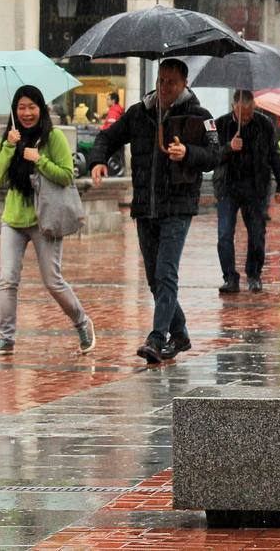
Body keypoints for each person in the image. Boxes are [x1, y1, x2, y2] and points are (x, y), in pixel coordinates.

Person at [88, 59, 221, 364]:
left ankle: (157, 338)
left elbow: (215, 155)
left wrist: (188, 153)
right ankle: (181, 333)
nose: (165, 88)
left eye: (172, 82)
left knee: (165, 272)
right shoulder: (139, 113)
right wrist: (98, 159)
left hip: (178, 205)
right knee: (153, 278)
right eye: (162, 81)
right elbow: (107, 136)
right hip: (145, 207)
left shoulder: (200, 116)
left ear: (184, 83)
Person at [0, 85, 95, 357]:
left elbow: (67, 175)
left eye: (31, 107)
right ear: (14, 111)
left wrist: (40, 160)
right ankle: (6, 338)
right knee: (7, 280)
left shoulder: (53, 137)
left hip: (44, 218)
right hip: (13, 218)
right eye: (21, 107)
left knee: (52, 281)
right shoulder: (9, 138)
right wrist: (10, 147)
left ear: (41, 109)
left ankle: (82, 322)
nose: (26, 113)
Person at [214, 89, 280, 293]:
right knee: (224, 234)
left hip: (256, 188)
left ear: (254, 107)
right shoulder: (220, 125)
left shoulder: (265, 124)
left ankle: (254, 275)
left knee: (257, 234)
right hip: (227, 187)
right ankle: (230, 277)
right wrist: (229, 147)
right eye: (242, 114)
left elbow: (275, 155)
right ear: (233, 108)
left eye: (249, 113)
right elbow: (211, 157)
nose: (246, 117)